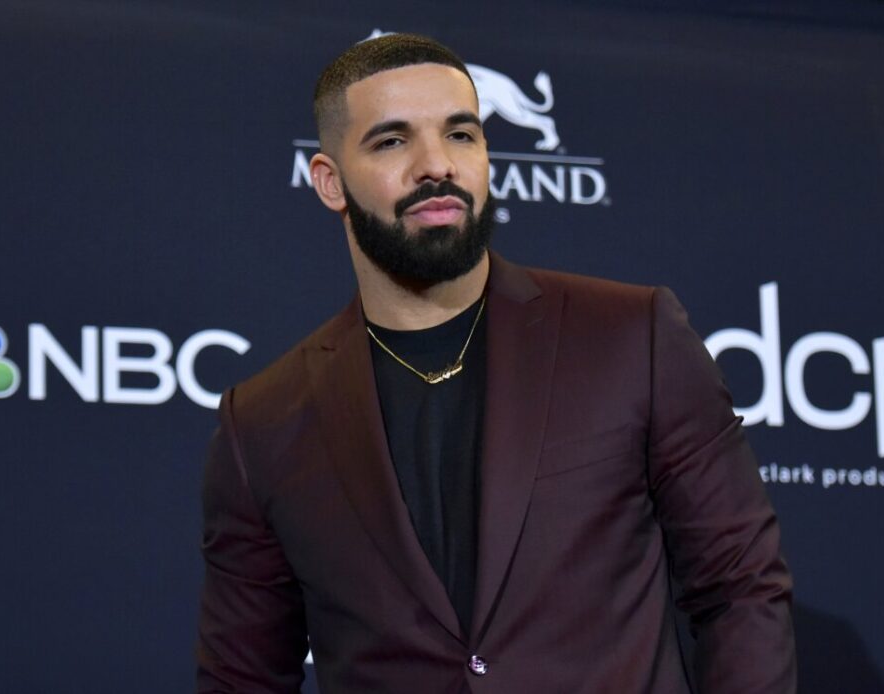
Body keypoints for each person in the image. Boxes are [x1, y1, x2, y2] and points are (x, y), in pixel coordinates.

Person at [196, 33, 796, 694]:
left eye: (461, 135)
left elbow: (740, 588)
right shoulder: (264, 422)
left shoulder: (630, 337)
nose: (437, 165)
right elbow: (243, 677)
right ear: (329, 182)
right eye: (392, 141)